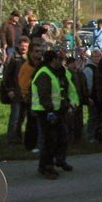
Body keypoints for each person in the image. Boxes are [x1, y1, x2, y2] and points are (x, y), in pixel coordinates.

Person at [31, 47, 74, 179]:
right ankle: (46, 167)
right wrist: (50, 111)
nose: (61, 62)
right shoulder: (44, 73)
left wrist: (66, 103)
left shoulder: (54, 72)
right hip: (45, 112)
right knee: (49, 141)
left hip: (56, 110)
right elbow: (44, 94)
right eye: (59, 59)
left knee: (61, 137)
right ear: (53, 60)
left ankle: (58, 161)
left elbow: (61, 89)